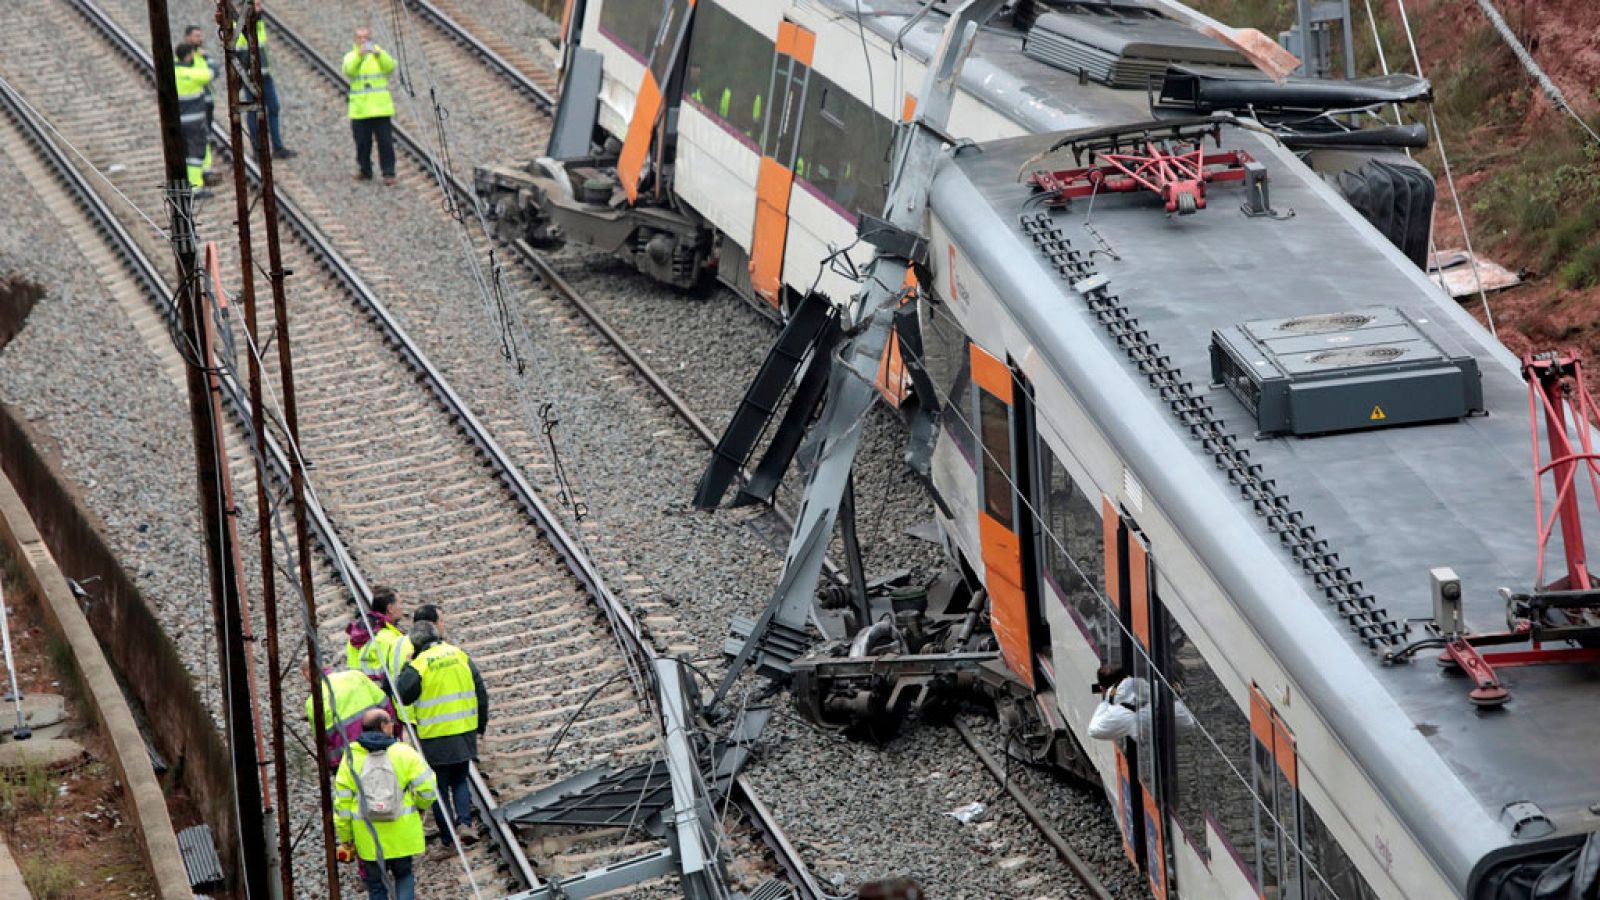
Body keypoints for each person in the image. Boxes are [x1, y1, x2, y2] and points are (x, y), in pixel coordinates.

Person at [395, 618, 488, 857]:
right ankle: (465, 824)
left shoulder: (420, 664)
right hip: (465, 730)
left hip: (436, 737)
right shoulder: (459, 654)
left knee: (438, 788)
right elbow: (480, 690)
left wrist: (407, 666)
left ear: (415, 644)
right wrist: (481, 724)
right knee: (460, 780)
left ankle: (449, 840)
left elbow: (403, 694)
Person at [334, 709, 437, 900]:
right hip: (402, 833)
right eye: (390, 722)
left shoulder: (350, 758)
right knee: (404, 876)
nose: (393, 725)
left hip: (368, 837)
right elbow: (429, 788)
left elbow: (343, 803)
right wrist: (420, 805)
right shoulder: (404, 753)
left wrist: (346, 837)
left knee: (376, 885)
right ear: (383, 726)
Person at [233, 0, 296, 158]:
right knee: (254, 111)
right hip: (252, 77)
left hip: (265, 75)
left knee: (273, 108)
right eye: (257, 5)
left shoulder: (258, 23)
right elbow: (239, 54)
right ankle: (258, 149)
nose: (261, 8)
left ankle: (277, 146)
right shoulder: (240, 27)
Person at [306, 658, 394, 765]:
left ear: (308, 674)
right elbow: (386, 705)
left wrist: (333, 765)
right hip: (381, 745)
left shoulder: (312, 701)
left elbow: (321, 742)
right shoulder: (355, 675)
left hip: (349, 760)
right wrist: (395, 733)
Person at [342, 27, 397, 185]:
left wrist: (378, 54)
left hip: (380, 108)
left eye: (366, 38)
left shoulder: (379, 55)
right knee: (362, 144)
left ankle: (388, 173)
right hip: (360, 110)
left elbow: (390, 66)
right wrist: (359, 56)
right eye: (360, 38)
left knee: (385, 142)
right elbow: (349, 71)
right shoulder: (350, 57)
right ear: (355, 40)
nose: (363, 41)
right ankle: (365, 170)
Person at [346, 586, 413, 688]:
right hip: (383, 697)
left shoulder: (357, 634)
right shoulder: (389, 638)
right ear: (390, 608)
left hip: (360, 692)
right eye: (400, 603)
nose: (402, 608)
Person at [173, 42, 213, 199]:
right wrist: (204, 57)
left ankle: (185, 183)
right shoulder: (193, 74)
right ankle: (196, 188)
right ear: (189, 55)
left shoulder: (174, 71)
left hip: (178, 121)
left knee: (185, 153)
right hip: (194, 122)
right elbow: (211, 72)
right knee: (196, 154)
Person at [182, 26, 218, 184]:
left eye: (200, 36)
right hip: (195, 106)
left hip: (205, 102)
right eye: (196, 36)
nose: (200, 39)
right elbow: (212, 73)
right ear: (188, 37)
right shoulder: (187, 57)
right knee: (200, 139)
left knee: (206, 136)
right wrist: (207, 59)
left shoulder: (198, 55)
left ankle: (205, 169)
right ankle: (201, 174)